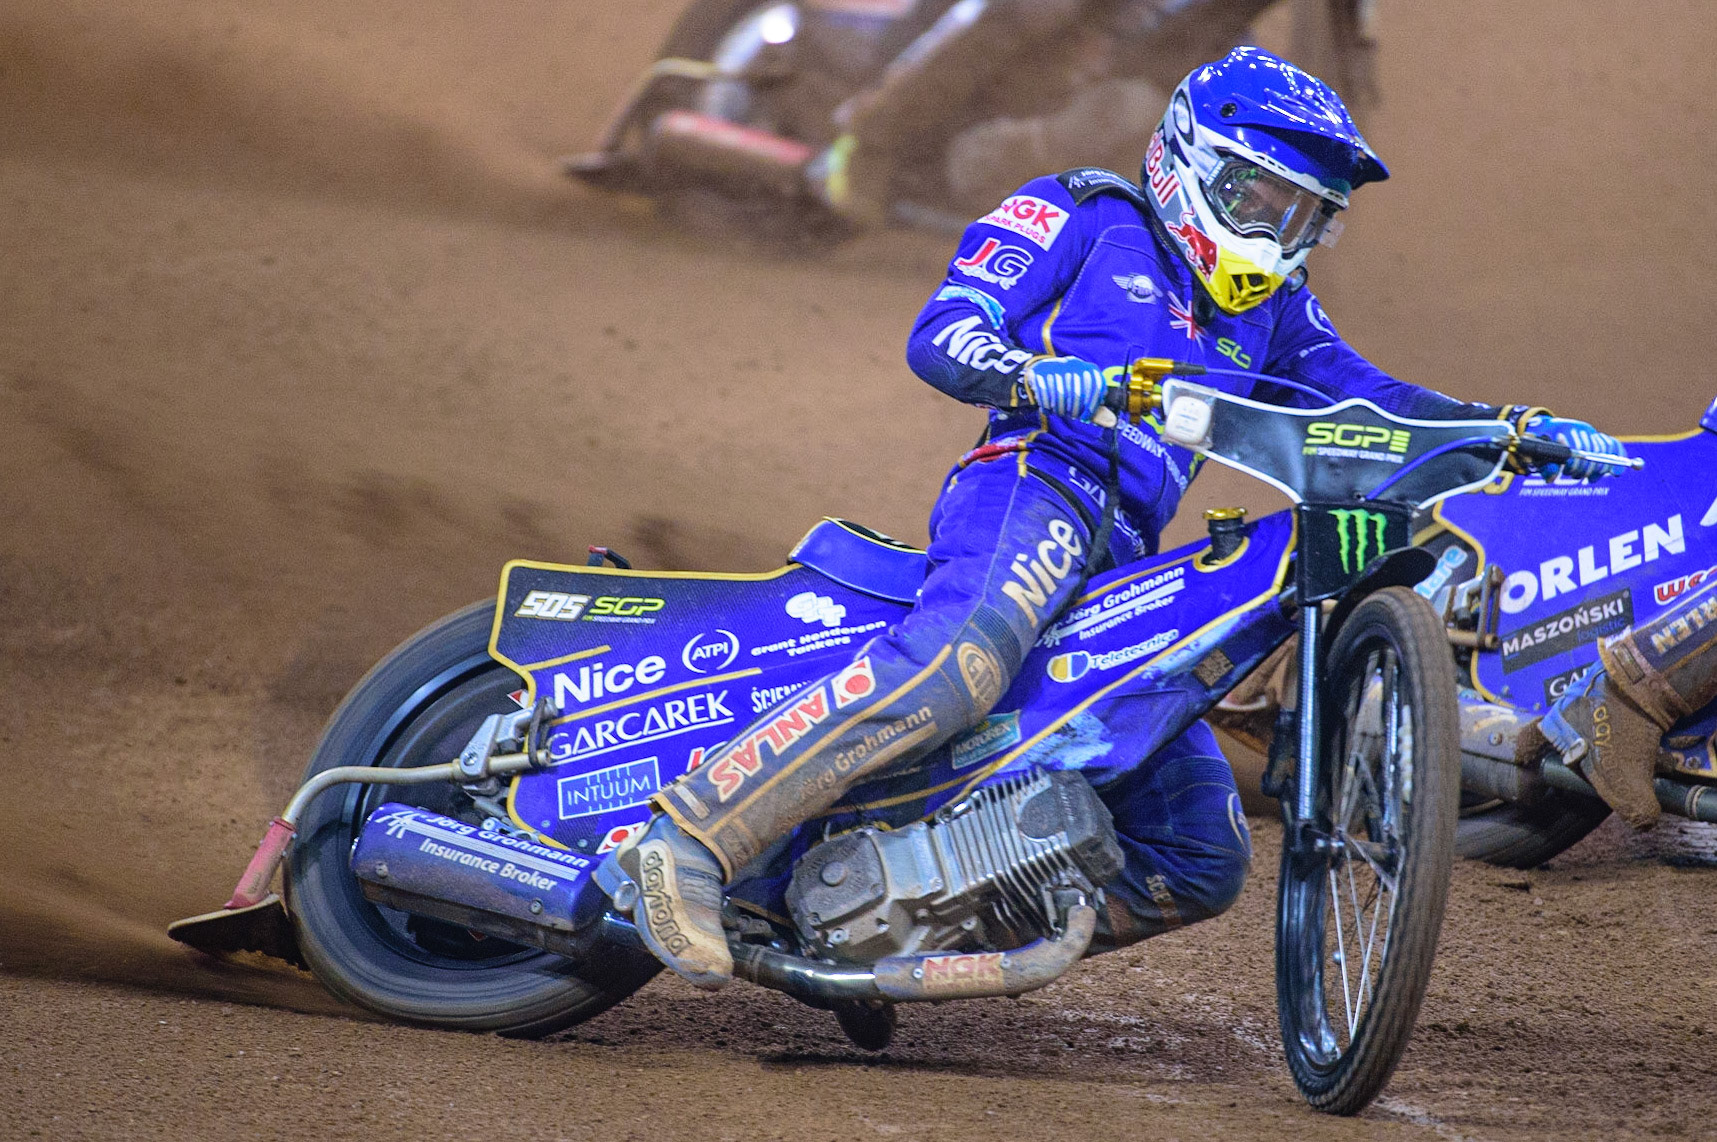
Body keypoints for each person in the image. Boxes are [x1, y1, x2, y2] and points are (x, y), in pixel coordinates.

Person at [596, 46, 1628, 990]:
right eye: (1259, 201)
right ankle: (690, 840)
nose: (1276, 236)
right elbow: (943, 330)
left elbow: (1372, 398)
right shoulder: (1086, 213)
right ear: (1190, 163)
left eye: (1301, 218)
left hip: (1129, 554)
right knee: (959, 663)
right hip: (1035, 483)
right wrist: (1038, 376)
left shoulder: (1273, 311)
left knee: (1200, 854)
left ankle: (881, 927)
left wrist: (1508, 430)